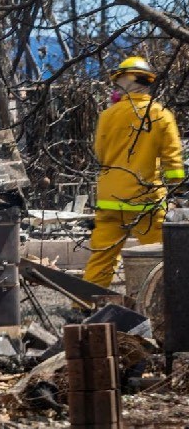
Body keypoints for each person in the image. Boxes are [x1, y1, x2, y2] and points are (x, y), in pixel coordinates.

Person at [83, 57, 183, 288]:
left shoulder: (107, 116)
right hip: (146, 202)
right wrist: (178, 193)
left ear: (124, 81)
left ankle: (83, 304)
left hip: (109, 201)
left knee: (102, 259)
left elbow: (101, 154)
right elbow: (173, 160)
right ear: (147, 82)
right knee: (160, 259)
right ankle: (161, 302)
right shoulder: (160, 114)